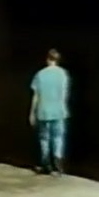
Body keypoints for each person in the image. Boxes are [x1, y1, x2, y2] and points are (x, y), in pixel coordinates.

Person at [29, 48, 71, 176]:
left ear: (47, 59)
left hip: (43, 110)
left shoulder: (40, 74)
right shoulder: (63, 74)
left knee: (44, 138)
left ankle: (45, 164)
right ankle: (58, 163)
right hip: (58, 110)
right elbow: (64, 94)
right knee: (58, 137)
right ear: (58, 60)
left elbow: (36, 95)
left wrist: (32, 112)